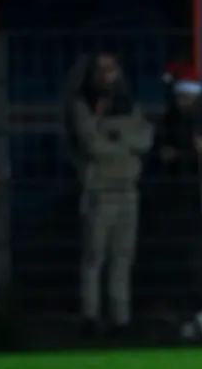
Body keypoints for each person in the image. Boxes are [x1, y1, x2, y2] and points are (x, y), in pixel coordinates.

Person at [64, 52, 153, 340]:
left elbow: (145, 139)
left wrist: (114, 134)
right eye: (101, 70)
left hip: (127, 191)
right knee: (94, 257)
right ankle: (90, 317)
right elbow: (92, 144)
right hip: (99, 192)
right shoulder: (82, 106)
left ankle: (120, 320)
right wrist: (125, 144)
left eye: (112, 69)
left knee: (122, 258)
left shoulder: (129, 105)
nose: (107, 75)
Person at [152, 63, 202, 340]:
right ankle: (191, 313)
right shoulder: (170, 122)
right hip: (177, 202)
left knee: (200, 259)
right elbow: (163, 155)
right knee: (182, 259)